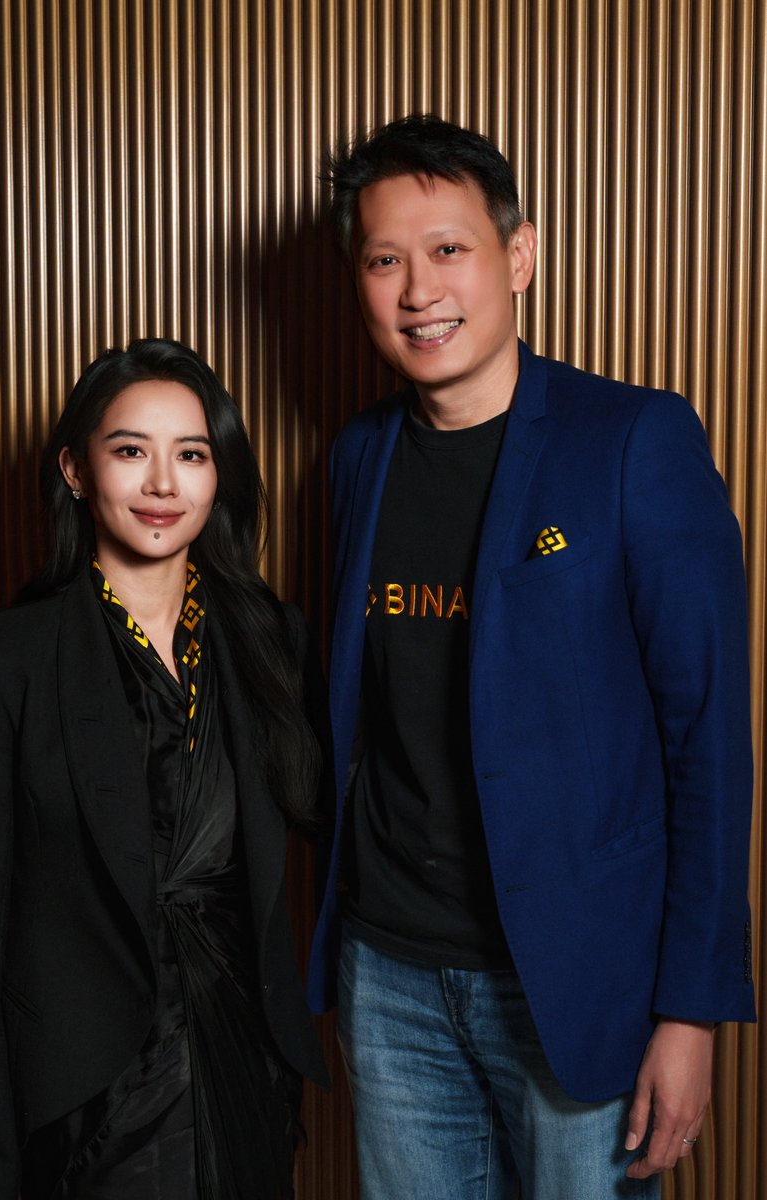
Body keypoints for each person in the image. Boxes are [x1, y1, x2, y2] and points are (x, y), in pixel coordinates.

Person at [306, 115, 756, 1199]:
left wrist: (689, 1010)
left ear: (518, 256)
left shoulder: (633, 440)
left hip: (577, 977)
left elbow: (707, 740)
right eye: (383, 261)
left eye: (447, 249)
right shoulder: (359, 456)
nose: (418, 290)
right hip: (390, 973)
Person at [0, 337, 329, 1200]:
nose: (162, 484)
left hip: (245, 1065)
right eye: (129, 451)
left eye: (191, 454)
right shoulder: (1, 660)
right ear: (76, 471)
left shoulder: (271, 642)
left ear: (219, 476)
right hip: (83, 1096)